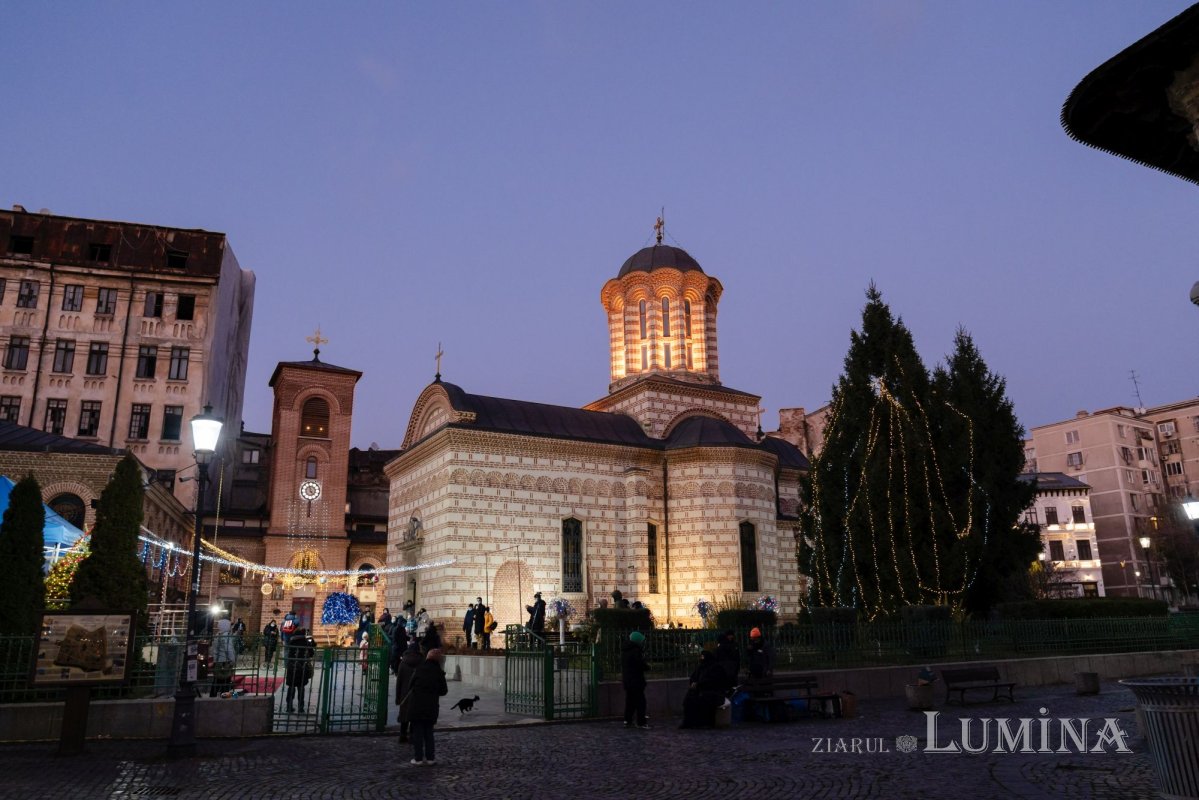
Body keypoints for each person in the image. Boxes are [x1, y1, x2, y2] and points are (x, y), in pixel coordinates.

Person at [408, 647, 448, 765]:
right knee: (429, 733)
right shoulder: (439, 673)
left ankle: (418, 758)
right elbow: (443, 691)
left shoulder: (419, 669)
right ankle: (430, 758)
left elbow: (410, 686)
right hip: (431, 706)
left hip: (416, 705)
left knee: (418, 733)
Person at [680, 651, 730, 729]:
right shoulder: (701, 667)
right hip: (701, 690)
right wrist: (694, 683)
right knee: (689, 699)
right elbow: (694, 677)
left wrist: (700, 684)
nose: (701, 658)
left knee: (706, 699)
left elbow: (714, 681)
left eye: (703, 657)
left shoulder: (716, 667)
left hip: (715, 692)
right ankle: (689, 722)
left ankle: (706, 723)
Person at [394, 641, 423, 742]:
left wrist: (397, 698)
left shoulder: (403, 663)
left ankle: (402, 735)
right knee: (414, 716)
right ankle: (412, 736)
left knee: (404, 715)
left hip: (404, 694)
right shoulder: (422, 662)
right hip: (417, 694)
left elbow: (399, 682)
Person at [284, 626, 317, 713]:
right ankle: (300, 708)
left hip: (292, 666)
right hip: (302, 666)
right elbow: (311, 653)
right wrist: (310, 639)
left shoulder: (291, 640)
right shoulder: (306, 641)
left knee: (291, 687)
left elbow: (288, 652)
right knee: (301, 688)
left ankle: (289, 707)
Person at [621, 630, 649, 729]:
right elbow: (639, 665)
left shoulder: (626, 650)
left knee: (630, 702)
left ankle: (627, 720)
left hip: (628, 680)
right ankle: (641, 722)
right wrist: (647, 667)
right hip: (636, 681)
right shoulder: (635, 651)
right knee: (641, 702)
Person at [209, 618, 238, 697]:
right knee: (225, 681)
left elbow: (212, 649)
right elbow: (229, 649)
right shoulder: (225, 636)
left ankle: (213, 696)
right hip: (224, 661)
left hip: (217, 661)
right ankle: (224, 697)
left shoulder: (218, 634)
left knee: (217, 680)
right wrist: (233, 660)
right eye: (229, 625)